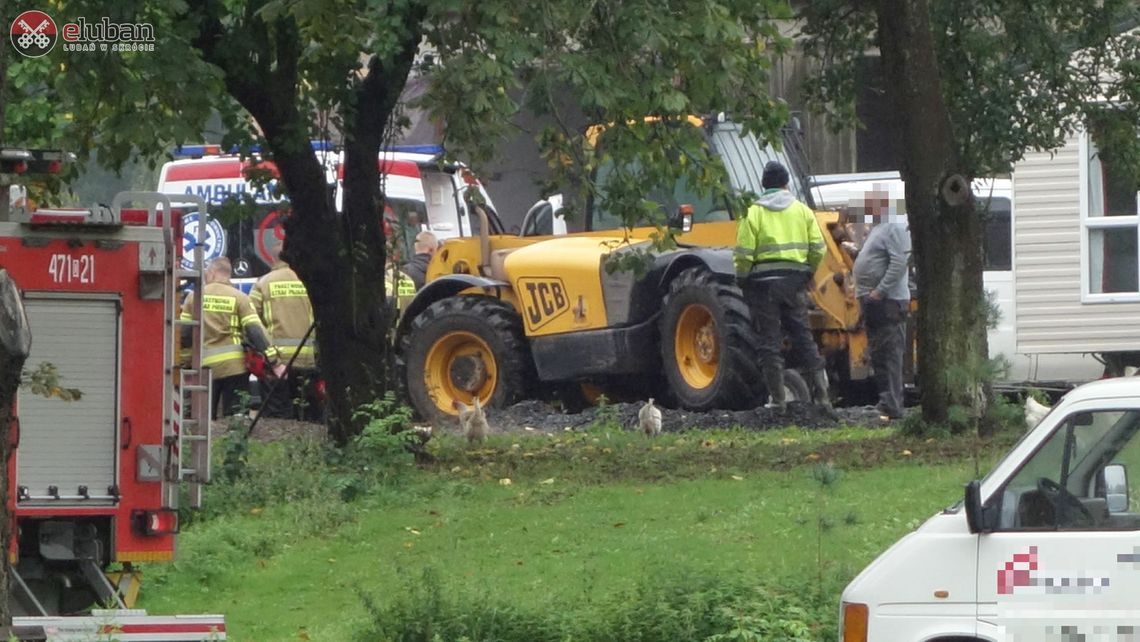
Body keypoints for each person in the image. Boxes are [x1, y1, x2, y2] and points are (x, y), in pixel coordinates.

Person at [734, 161, 834, 415]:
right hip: (794, 283)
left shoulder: (753, 212)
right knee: (804, 338)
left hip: (763, 286)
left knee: (769, 342)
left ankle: (778, 401)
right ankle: (822, 398)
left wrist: (743, 278)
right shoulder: (802, 211)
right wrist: (808, 272)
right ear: (787, 183)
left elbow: (744, 254)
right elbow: (818, 247)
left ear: (763, 185)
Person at [182, 257, 279, 419]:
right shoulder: (240, 297)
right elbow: (254, 330)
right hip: (234, 368)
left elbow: (184, 333)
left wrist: (184, 362)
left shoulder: (193, 297)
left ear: (212, 272)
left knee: (201, 419)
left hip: (203, 367)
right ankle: (236, 440)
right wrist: (273, 360)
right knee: (236, 417)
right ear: (228, 274)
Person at [853, 187, 912, 420]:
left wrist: (880, 290)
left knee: (890, 353)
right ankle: (886, 402)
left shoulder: (894, 227)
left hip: (888, 301)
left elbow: (900, 262)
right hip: (876, 301)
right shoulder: (880, 228)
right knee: (879, 353)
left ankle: (893, 405)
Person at [250, 246, 320, 420]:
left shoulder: (263, 283)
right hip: (308, 359)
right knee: (307, 417)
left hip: (277, 362)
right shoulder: (309, 280)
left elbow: (251, 321)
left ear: (273, 259)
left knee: (277, 418)